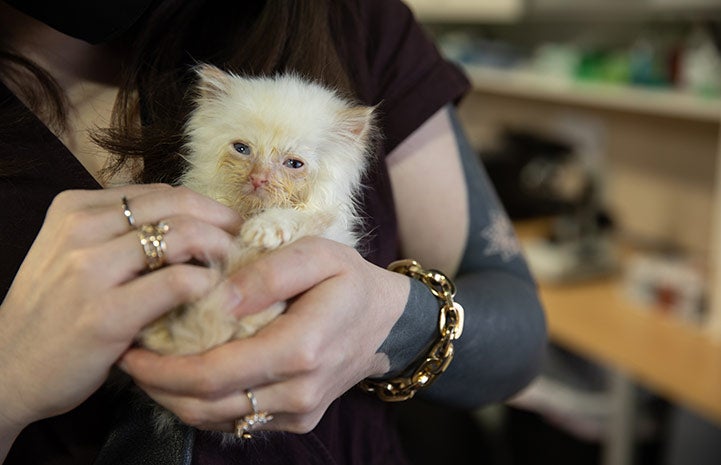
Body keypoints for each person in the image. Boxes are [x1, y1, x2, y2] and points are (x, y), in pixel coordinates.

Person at [0, 0, 547, 463]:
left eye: (291, 166)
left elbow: (519, 333)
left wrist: (389, 319)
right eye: (241, 151)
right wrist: (12, 380)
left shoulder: (355, 19)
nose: (261, 177)